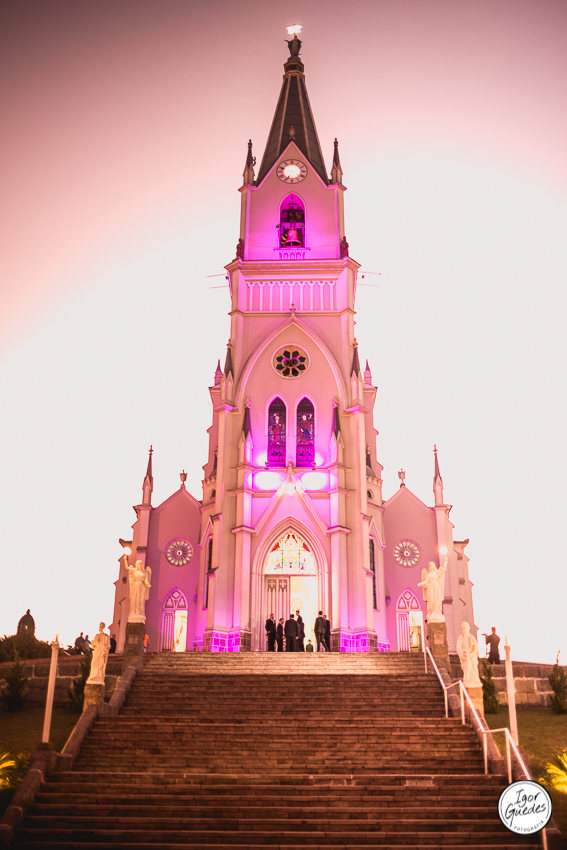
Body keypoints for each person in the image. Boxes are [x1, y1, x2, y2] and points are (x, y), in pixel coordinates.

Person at [418, 555, 448, 622]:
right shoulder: (428, 575)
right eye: (429, 566)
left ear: (433, 566)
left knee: (436, 599)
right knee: (431, 600)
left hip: (436, 586)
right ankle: (432, 612)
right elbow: (426, 581)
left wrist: (445, 561)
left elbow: (443, 570)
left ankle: (437, 612)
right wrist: (421, 583)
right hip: (430, 587)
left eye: (431, 565)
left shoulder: (436, 572)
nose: (430, 567)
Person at [457, 621, 482, 688]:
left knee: (473, 667)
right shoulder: (461, 638)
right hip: (465, 656)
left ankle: (474, 679)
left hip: (472, 655)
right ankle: (467, 679)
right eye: (464, 628)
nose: (465, 629)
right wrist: (464, 651)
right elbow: (458, 648)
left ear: (469, 628)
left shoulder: (472, 637)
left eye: (466, 627)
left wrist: (472, 653)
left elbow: (476, 648)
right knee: (467, 666)